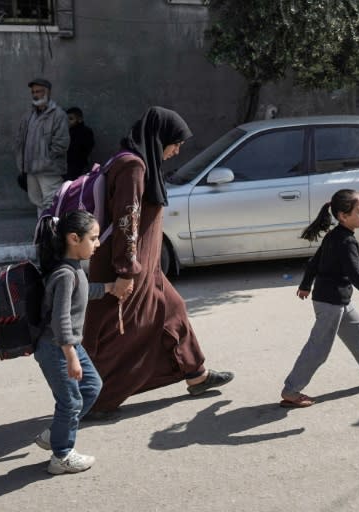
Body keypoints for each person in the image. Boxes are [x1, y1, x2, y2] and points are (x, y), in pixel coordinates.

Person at [82, 107, 233, 417]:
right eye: (175, 142)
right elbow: (128, 220)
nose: (177, 150)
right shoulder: (133, 167)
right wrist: (126, 271)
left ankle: (196, 374)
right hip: (127, 266)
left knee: (173, 309)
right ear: (158, 137)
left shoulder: (133, 161)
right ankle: (97, 399)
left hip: (147, 267)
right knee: (123, 333)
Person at [280, 189, 359, 408]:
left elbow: (314, 262)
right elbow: (356, 275)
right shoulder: (346, 242)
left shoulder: (335, 236)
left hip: (337, 301)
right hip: (330, 303)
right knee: (318, 349)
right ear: (344, 216)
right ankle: (291, 391)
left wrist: (306, 285)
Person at [32, 211, 122, 474]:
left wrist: (108, 288)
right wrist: (70, 355)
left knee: (92, 386)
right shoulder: (65, 274)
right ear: (74, 238)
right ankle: (61, 456)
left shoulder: (73, 269)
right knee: (70, 402)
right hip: (57, 347)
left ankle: (55, 434)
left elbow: (81, 294)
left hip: (68, 345)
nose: (98, 244)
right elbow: (60, 320)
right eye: (93, 238)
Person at [15, 78, 70, 216]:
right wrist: (22, 164)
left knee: (52, 202)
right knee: (38, 202)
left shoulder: (58, 114)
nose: (35, 94)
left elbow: (61, 143)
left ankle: (52, 234)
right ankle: (43, 231)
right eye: (33, 92)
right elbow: (21, 140)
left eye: (38, 91)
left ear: (47, 92)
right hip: (31, 169)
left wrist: (47, 160)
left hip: (49, 170)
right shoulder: (29, 115)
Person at [65, 107, 95, 180]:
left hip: (76, 167)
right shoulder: (66, 131)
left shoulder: (85, 132)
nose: (68, 121)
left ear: (80, 119)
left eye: (71, 119)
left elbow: (86, 149)